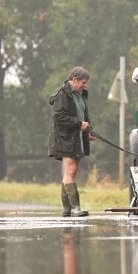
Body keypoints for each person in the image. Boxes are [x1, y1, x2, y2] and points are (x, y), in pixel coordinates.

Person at [47, 66, 96, 217]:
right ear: (74, 79)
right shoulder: (62, 95)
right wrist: (79, 124)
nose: (84, 85)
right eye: (83, 82)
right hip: (65, 138)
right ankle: (75, 208)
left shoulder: (81, 95)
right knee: (71, 171)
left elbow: (82, 114)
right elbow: (59, 117)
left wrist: (87, 131)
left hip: (78, 137)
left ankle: (67, 209)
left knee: (71, 173)